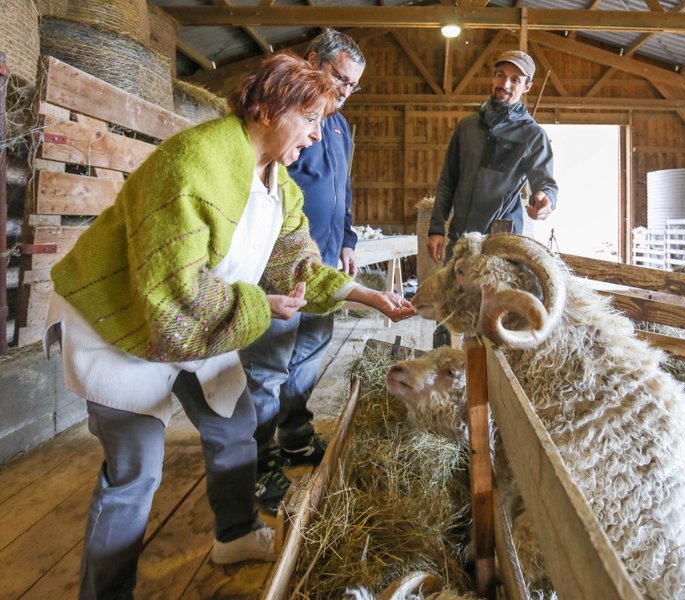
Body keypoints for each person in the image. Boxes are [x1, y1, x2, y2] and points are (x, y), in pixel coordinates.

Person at [43, 52, 414, 600]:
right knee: (136, 473)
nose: (317, 136)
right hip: (122, 325)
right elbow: (172, 294)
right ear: (267, 108)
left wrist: (365, 296)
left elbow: (299, 266)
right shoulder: (194, 163)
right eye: (309, 120)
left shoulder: (279, 183)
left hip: (200, 320)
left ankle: (236, 534)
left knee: (233, 427)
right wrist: (262, 306)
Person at [240, 30, 367, 515]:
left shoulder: (339, 127)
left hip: (327, 259)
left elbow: (342, 189)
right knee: (269, 361)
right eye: (340, 77)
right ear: (312, 61)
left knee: (310, 352)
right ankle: (259, 460)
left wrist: (349, 239)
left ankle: (294, 436)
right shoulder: (291, 116)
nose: (345, 91)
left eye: (353, 85)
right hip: (281, 261)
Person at [426, 50, 558, 346]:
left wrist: (544, 200)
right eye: (501, 75)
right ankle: (443, 371)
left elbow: (546, 184)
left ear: (528, 87)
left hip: (499, 242)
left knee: (486, 317)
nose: (506, 84)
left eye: (515, 79)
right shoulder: (467, 126)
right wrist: (436, 228)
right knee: (448, 308)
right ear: (493, 76)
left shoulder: (532, 134)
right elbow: (447, 180)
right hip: (460, 237)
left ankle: (485, 381)